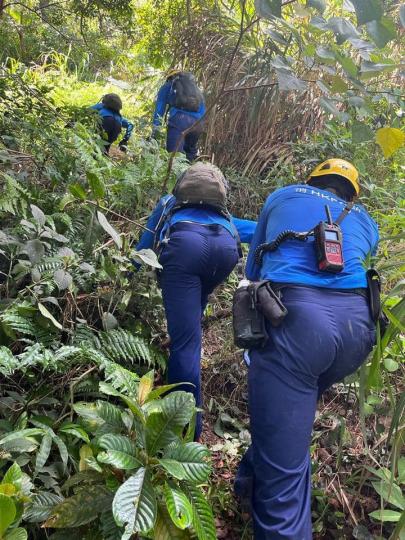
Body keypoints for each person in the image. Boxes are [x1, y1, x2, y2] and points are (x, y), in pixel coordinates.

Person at [235, 159, 379, 539]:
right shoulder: (364, 218)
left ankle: (271, 490)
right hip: (357, 330)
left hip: (296, 321)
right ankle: (248, 479)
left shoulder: (283, 195)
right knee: (289, 405)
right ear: (352, 193)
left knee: (280, 494)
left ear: (312, 179)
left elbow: (254, 268)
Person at [135, 162, 256, 440]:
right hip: (224, 251)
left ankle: (186, 430)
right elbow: (261, 230)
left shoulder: (169, 204)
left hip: (185, 249)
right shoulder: (225, 219)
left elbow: (144, 248)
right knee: (190, 325)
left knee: (185, 344)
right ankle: (183, 387)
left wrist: (125, 274)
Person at [152, 70, 206, 162]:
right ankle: (192, 173)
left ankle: (175, 175)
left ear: (169, 78)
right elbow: (202, 110)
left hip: (179, 121)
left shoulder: (168, 86)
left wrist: (155, 132)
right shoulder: (196, 90)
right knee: (190, 156)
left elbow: (159, 110)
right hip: (198, 124)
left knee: (174, 157)